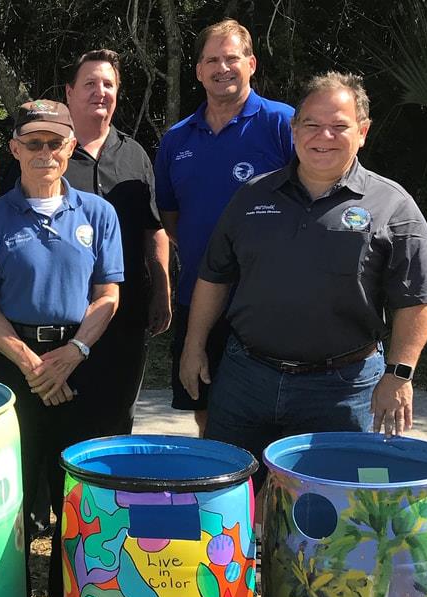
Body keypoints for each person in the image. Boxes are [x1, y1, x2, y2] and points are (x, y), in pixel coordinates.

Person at [179, 72, 427, 483]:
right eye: (311, 124)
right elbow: (215, 277)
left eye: (339, 126)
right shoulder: (252, 195)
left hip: (341, 390)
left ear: (362, 131)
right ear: (294, 129)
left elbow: (416, 297)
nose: (324, 136)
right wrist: (194, 347)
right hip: (246, 379)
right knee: (230, 503)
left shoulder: (393, 205)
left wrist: (399, 374)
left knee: (331, 517)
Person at [0, 100, 124, 597]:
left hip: (80, 362)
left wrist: (71, 354)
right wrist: (33, 364)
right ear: (14, 149)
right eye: (33, 142)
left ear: (71, 147)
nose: (46, 152)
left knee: (75, 495)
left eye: (56, 142)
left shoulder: (98, 213)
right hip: (12, 368)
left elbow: (108, 296)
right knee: (8, 494)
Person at [154, 19, 294, 434]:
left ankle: (273, 497)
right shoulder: (177, 139)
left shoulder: (283, 124)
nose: (222, 68)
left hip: (269, 302)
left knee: (277, 414)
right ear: (198, 71)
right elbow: (172, 219)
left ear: (250, 63)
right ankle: (226, 498)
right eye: (212, 59)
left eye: (232, 58)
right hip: (199, 300)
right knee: (208, 412)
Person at [64, 48, 171, 435]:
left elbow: (152, 228)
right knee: (62, 420)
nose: (100, 91)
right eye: (90, 83)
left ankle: (106, 498)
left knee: (115, 420)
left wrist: (162, 291)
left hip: (125, 316)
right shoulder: (47, 153)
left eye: (108, 84)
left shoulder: (136, 156)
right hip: (63, 316)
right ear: (69, 93)